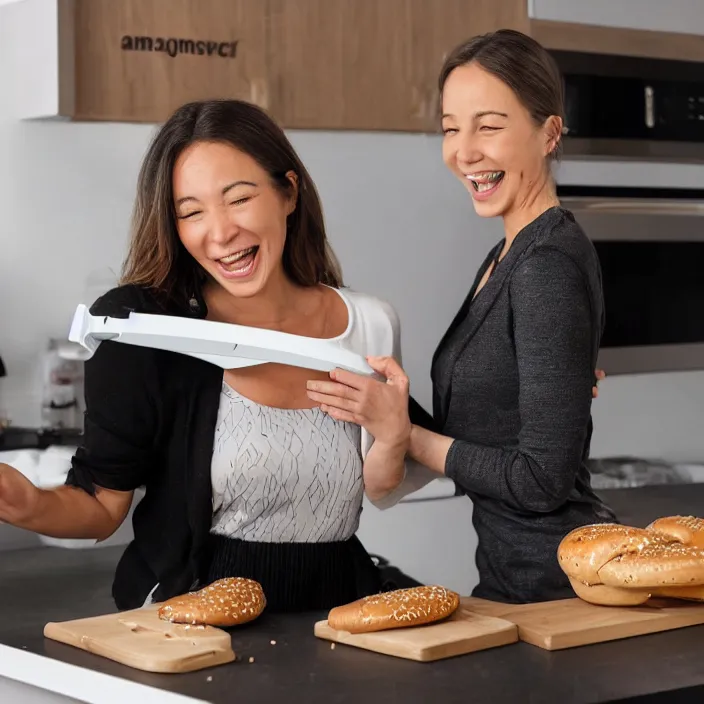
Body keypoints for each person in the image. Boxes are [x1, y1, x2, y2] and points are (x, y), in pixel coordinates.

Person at [0, 99, 416, 612]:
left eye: (238, 199)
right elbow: (101, 505)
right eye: (191, 212)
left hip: (336, 604)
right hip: (193, 610)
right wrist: (26, 504)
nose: (219, 234)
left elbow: (379, 488)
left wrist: (395, 436)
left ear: (288, 192)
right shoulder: (145, 330)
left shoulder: (370, 322)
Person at [306, 29, 617, 604]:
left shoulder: (545, 263)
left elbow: (540, 481)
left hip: (560, 591)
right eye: (451, 128)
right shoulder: (507, 255)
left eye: (489, 126)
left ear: (548, 132)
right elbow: (491, 428)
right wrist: (365, 382)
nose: (464, 150)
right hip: (515, 580)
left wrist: (407, 435)